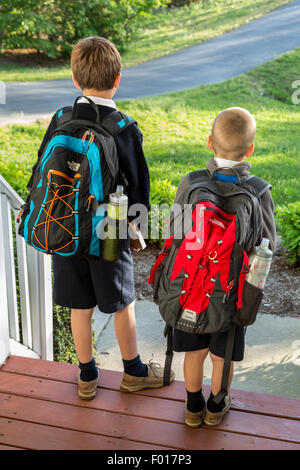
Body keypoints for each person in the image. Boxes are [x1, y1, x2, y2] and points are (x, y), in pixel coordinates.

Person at [36, 36, 175, 400]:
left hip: (64, 227)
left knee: (79, 308)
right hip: (109, 230)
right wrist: (137, 228)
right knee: (122, 305)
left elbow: (41, 169)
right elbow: (139, 188)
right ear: (118, 78)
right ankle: (134, 371)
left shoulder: (60, 118)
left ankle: (86, 376)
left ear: (74, 78)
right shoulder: (124, 127)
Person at [172, 107, 276, 427]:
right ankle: (216, 406)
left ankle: (192, 405)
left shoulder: (191, 183)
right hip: (232, 293)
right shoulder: (258, 191)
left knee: (195, 350)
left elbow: (176, 234)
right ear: (250, 150)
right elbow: (268, 243)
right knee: (222, 353)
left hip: (193, 290)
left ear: (209, 142)